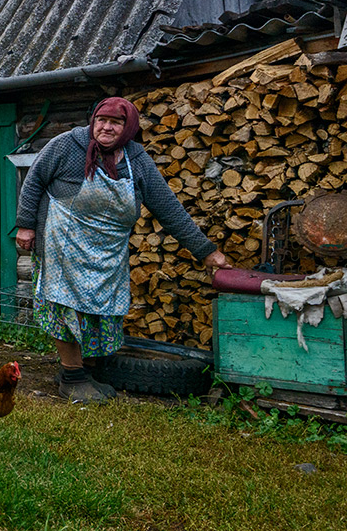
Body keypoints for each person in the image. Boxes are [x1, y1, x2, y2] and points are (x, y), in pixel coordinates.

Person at [14, 96, 230, 404]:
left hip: (107, 250)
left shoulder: (135, 158)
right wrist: (25, 225)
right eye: (101, 120)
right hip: (62, 241)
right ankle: (72, 377)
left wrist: (206, 251)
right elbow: (33, 181)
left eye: (115, 122)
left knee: (99, 310)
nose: (106, 127)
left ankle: (85, 373)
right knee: (66, 307)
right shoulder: (66, 145)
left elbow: (168, 207)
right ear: (93, 121)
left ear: (127, 127)